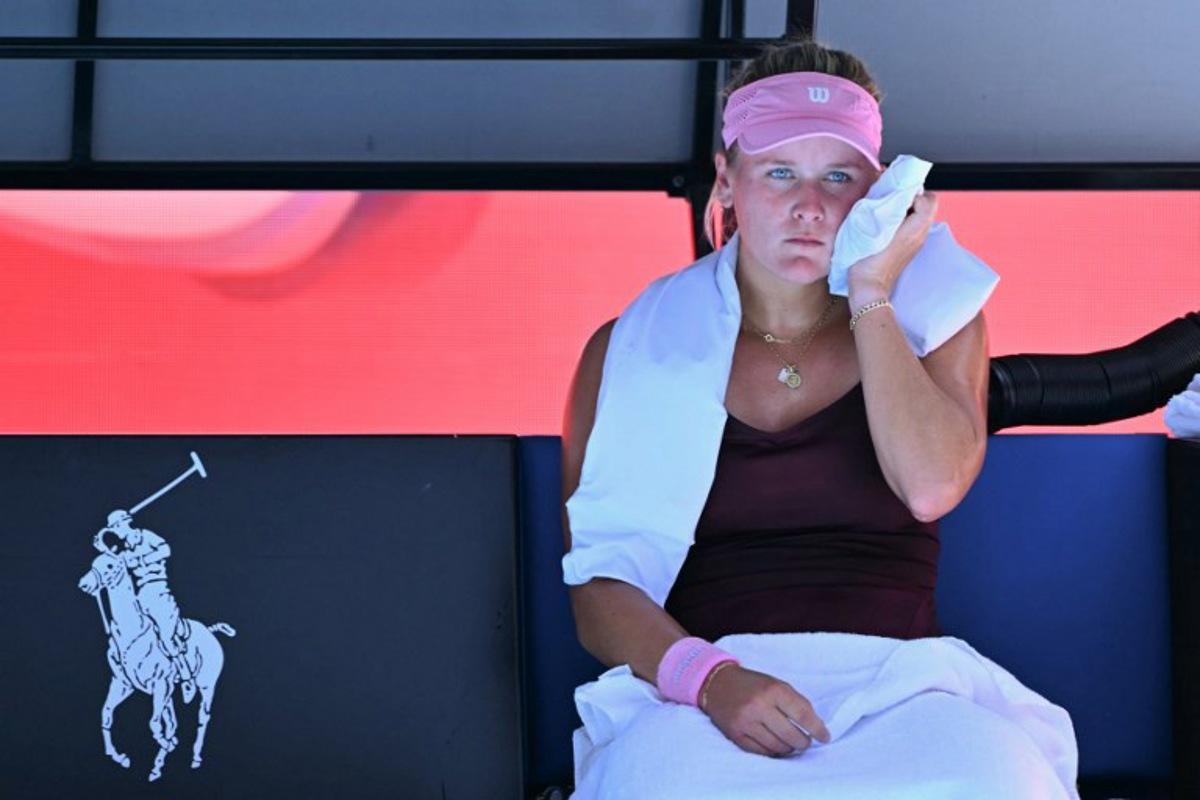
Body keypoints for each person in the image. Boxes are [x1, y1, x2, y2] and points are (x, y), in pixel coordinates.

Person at [562, 37, 1075, 797]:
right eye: (778, 172)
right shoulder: (631, 344)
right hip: (707, 694)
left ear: (876, 192)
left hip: (904, 687)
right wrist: (712, 680)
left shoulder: (934, 314)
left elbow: (931, 486)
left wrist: (871, 288)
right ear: (727, 180)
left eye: (839, 177)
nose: (810, 206)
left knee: (1000, 781)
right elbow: (600, 588)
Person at [103, 509, 196, 699]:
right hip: (140, 595)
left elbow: (166, 550)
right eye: (112, 529)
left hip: (159, 591)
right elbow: (112, 563)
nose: (116, 531)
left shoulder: (145, 536)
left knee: (166, 638)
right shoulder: (124, 550)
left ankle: (187, 678)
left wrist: (142, 560)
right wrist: (101, 545)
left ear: (124, 523)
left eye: (116, 527)